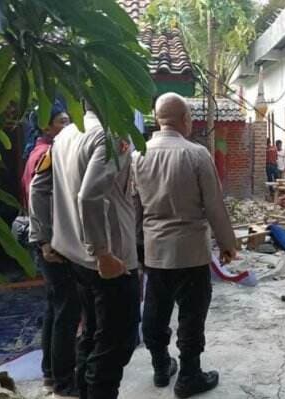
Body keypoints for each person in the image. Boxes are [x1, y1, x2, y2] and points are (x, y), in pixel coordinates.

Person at [29, 102, 140, 399]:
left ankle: (85, 390)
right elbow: (90, 196)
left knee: (92, 332)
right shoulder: (111, 135)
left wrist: (46, 237)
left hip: (75, 255)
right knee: (117, 340)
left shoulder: (66, 134)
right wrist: (102, 252)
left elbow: (38, 186)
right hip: (109, 260)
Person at [132, 93, 237, 398]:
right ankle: (189, 375)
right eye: (189, 118)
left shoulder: (139, 155)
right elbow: (214, 205)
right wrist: (227, 244)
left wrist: (137, 247)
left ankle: (161, 366)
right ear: (183, 120)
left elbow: (134, 207)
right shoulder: (196, 154)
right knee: (192, 315)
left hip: (155, 251)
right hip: (191, 252)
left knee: (155, 309)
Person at [23, 104, 79, 398]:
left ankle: (50, 374)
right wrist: (45, 241)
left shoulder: (39, 150)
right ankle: (63, 381)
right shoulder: (48, 153)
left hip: (48, 240)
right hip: (53, 243)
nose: (68, 125)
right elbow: (37, 195)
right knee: (67, 311)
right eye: (62, 121)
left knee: (55, 308)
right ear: (46, 127)